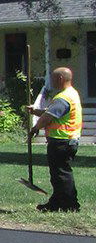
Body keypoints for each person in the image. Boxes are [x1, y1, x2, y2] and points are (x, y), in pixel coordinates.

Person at [28, 66, 83, 212]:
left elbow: (48, 117)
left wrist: (35, 128)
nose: (51, 82)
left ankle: (69, 205)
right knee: (58, 174)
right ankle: (57, 203)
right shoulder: (71, 94)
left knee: (61, 175)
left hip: (61, 141)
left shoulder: (63, 98)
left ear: (60, 79)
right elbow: (50, 112)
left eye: (52, 79)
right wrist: (35, 111)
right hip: (67, 140)